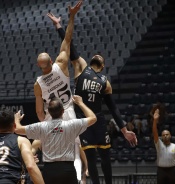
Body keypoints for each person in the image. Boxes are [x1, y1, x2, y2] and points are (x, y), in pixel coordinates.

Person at [47, 13, 138, 184]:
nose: (98, 55)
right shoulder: (81, 66)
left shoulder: (105, 81)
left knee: (105, 157)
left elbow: (113, 107)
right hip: (83, 119)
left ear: (102, 66)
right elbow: (70, 44)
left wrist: (124, 130)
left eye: (101, 57)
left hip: (99, 119)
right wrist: (59, 26)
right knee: (90, 158)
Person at [32, 1, 84, 183]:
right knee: (75, 149)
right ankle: (79, 179)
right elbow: (68, 39)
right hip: (68, 110)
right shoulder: (61, 64)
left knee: (41, 146)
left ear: (39, 66)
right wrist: (70, 17)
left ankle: (31, 159)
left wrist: (45, 124)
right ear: (51, 60)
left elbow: (39, 111)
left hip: (50, 116)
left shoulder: (37, 84)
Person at [14, 95, 97, 184]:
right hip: (68, 169)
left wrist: (16, 119)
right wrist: (80, 103)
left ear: (49, 112)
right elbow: (93, 118)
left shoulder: (41, 126)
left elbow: (17, 129)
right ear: (63, 111)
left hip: (49, 170)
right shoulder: (72, 125)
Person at [153, 109, 175, 184]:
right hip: (161, 171)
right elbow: (154, 132)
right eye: (163, 135)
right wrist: (155, 121)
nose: (165, 136)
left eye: (167, 134)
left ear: (170, 136)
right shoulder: (158, 144)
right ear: (161, 137)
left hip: (171, 170)